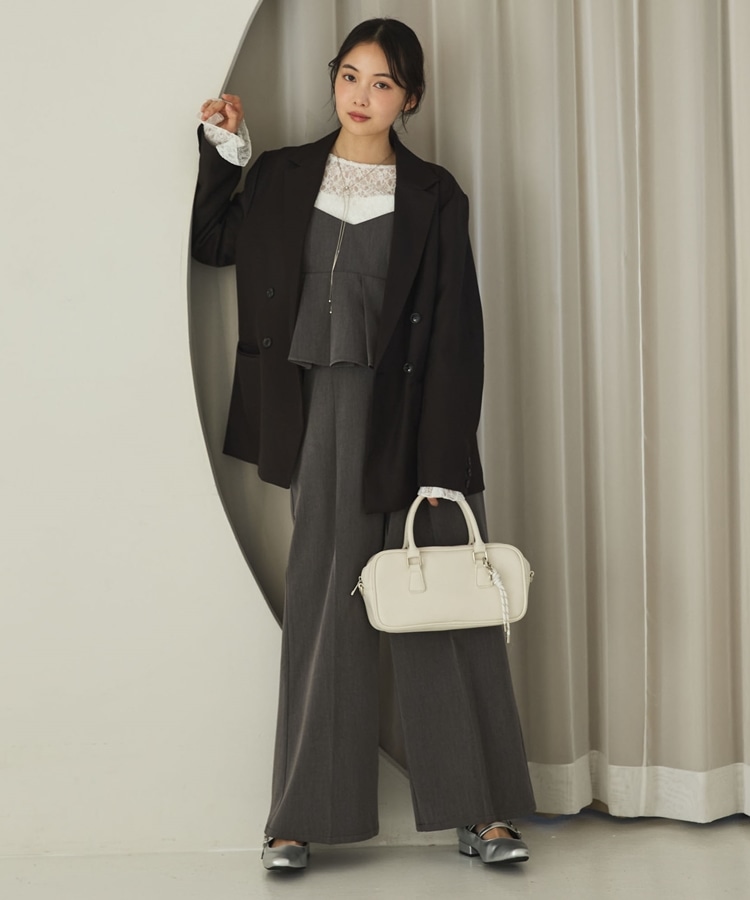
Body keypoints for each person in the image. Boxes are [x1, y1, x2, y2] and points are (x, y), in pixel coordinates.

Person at [191, 17, 535, 873]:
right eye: (351, 75)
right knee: (323, 607)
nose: (362, 95)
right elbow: (215, 242)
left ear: (409, 99)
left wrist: (445, 458)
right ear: (334, 79)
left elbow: (456, 329)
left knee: (444, 601)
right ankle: (297, 818)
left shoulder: (435, 194)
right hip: (319, 412)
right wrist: (225, 151)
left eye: (382, 83)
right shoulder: (282, 175)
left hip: (419, 417)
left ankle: (481, 812)